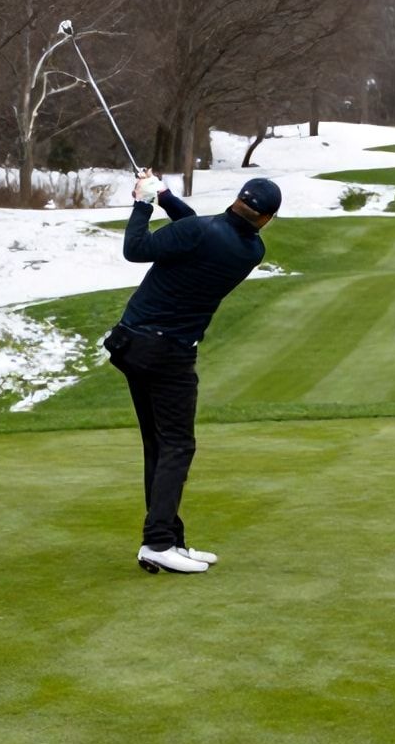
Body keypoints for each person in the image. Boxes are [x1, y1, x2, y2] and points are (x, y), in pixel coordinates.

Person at [103, 170, 281, 575]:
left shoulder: (202, 232)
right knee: (177, 446)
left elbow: (139, 246)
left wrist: (142, 202)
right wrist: (161, 196)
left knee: (162, 445)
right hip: (167, 355)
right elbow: (190, 229)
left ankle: (168, 539)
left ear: (236, 200)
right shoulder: (251, 249)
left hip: (132, 345)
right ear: (266, 219)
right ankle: (159, 542)